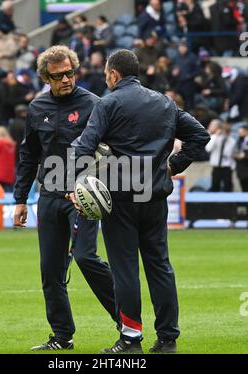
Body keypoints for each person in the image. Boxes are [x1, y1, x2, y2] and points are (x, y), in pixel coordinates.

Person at [68, 49, 210, 353]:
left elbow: (84, 148)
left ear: (114, 74)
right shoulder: (164, 102)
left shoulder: (108, 104)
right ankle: (168, 338)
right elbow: (200, 136)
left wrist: (77, 186)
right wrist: (172, 166)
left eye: (106, 74)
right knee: (159, 266)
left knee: (125, 270)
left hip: (119, 198)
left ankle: (131, 340)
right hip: (155, 198)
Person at [13, 45, 116, 351]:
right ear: (46, 77)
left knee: (85, 257)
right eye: (58, 76)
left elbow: (112, 151)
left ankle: (128, 323)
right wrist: (20, 199)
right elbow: (29, 155)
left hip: (83, 195)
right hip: (49, 197)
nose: (67, 79)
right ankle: (62, 337)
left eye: (70, 73)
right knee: (51, 270)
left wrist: (97, 185)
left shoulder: (95, 105)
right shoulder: (36, 108)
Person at [205, 122, 236, 192]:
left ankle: (228, 202)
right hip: (216, 166)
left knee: (227, 186)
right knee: (215, 185)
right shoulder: (214, 138)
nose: (225, 133)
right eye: (224, 130)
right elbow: (208, 149)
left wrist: (227, 139)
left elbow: (229, 154)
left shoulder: (231, 141)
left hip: (227, 167)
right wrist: (216, 136)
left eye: (227, 131)